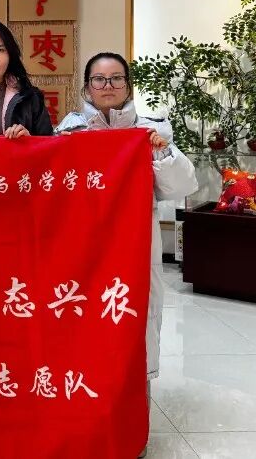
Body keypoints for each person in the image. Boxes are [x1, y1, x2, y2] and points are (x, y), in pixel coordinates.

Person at [55, 51, 198, 459]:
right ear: (86, 87)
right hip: (82, 253)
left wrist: (162, 153)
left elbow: (181, 186)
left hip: (133, 251)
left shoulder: (148, 131)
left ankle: (132, 435)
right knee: (83, 336)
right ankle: (83, 427)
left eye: (116, 78)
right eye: (99, 80)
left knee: (132, 335)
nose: (108, 87)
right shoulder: (69, 130)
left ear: (129, 85)